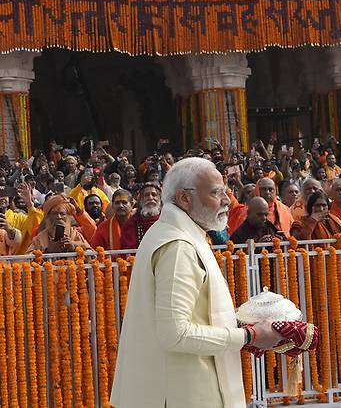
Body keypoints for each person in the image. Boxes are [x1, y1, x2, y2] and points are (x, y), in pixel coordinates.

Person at [112, 157, 282, 408]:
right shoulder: (178, 246)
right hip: (182, 394)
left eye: (225, 191)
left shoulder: (181, 233)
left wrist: (244, 324)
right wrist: (249, 335)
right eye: (216, 193)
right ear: (184, 198)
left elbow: (195, 315)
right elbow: (175, 334)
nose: (226, 200)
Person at [27, 194, 92, 253]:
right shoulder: (40, 238)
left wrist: (74, 246)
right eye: (54, 214)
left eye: (62, 214)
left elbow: (92, 255)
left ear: (68, 216)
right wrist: (48, 251)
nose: (58, 217)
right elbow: (26, 259)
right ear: (48, 217)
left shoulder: (75, 234)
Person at [120, 182, 162, 249]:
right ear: (141, 200)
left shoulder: (167, 220)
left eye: (154, 195)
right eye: (146, 195)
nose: (150, 198)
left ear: (160, 199)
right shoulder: (131, 224)